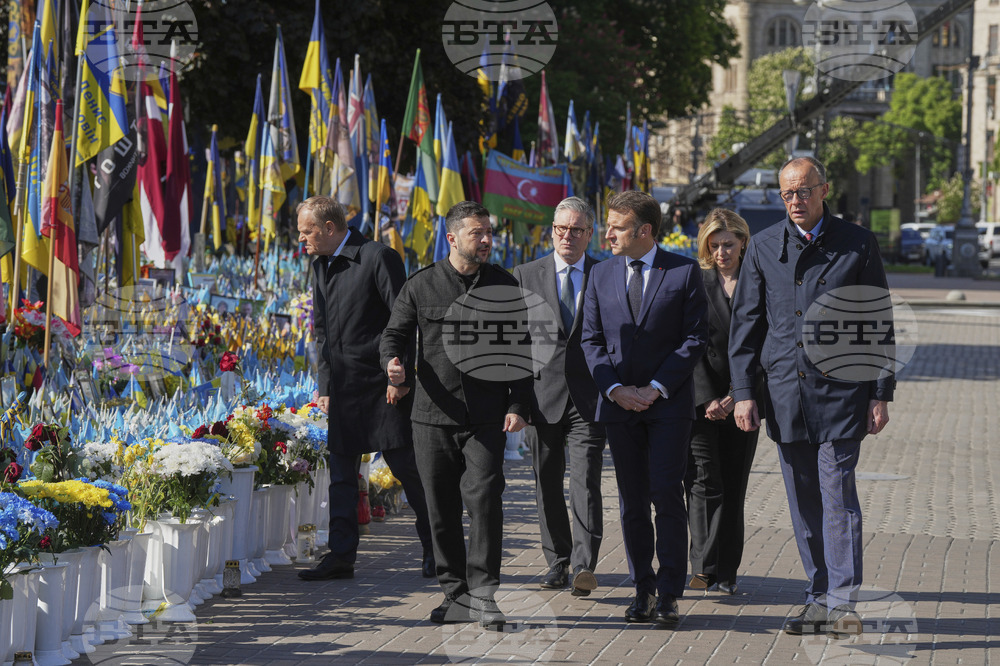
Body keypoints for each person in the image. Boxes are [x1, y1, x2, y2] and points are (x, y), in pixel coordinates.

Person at [729, 157, 893, 637]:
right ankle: (818, 596)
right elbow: (746, 328)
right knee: (803, 503)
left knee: (838, 496)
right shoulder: (761, 247)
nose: (795, 201)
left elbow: (877, 321)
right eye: (787, 194)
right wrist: (743, 393)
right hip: (786, 395)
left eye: (803, 191)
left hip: (843, 395)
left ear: (825, 190)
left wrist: (880, 392)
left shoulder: (857, 243)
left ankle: (842, 602)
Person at [380, 201, 531, 628]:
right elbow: (394, 335)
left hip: (486, 418)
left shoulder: (505, 285)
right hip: (431, 417)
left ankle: (484, 595)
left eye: (488, 233)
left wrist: (519, 405)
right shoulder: (420, 285)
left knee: (484, 501)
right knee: (439, 509)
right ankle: (455, 593)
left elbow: (522, 352)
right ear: (452, 238)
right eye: (476, 233)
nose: (485, 240)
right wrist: (392, 364)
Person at [581, 190, 708, 627]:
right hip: (618, 406)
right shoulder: (599, 274)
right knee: (632, 502)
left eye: (617, 226)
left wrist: (655, 387)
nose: (607, 233)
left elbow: (694, 339)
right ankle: (642, 590)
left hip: (667, 406)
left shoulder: (684, 272)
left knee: (666, 496)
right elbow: (590, 340)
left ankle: (670, 592)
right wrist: (615, 388)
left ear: (645, 231)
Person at [294, 196, 434, 582]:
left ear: (328, 228)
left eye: (306, 230)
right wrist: (325, 384)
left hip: (383, 386)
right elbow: (321, 331)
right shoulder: (319, 262)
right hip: (343, 388)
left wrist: (400, 378)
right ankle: (341, 556)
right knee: (341, 475)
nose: (301, 238)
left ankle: (436, 548)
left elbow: (404, 320)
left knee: (408, 469)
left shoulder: (377, 257)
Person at [512, 197, 605, 597]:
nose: (569, 236)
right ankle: (558, 560)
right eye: (561, 229)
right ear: (552, 231)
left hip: (591, 396)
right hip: (541, 395)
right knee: (546, 481)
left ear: (590, 234)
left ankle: (584, 565)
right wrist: (516, 402)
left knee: (585, 482)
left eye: (577, 230)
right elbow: (514, 343)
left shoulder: (607, 273)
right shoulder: (524, 275)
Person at [684, 208, 759, 596]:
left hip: (744, 402)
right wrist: (708, 397)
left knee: (733, 486)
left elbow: (766, 347)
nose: (721, 253)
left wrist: (736, 396)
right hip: (700, 403)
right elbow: (688, 344)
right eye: (713, 246)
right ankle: (702, 567)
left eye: (728, 244)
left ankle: (726, 572)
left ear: (743, 242)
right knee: (700, 482)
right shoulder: (696, 282)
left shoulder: (759, 282)